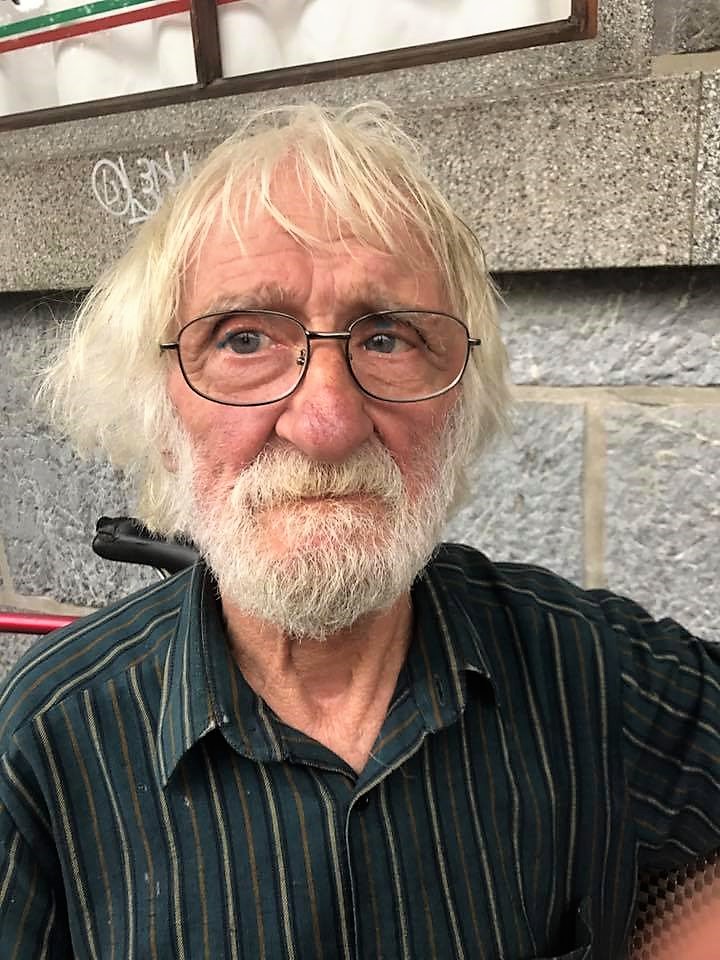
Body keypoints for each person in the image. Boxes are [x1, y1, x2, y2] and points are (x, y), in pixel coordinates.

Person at [0, 103, 717, 960]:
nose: (327, 424)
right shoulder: (45, 742)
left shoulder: (591, 669)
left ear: (460, 402)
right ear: (160, 409)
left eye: (386, 338)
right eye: (244, 339)